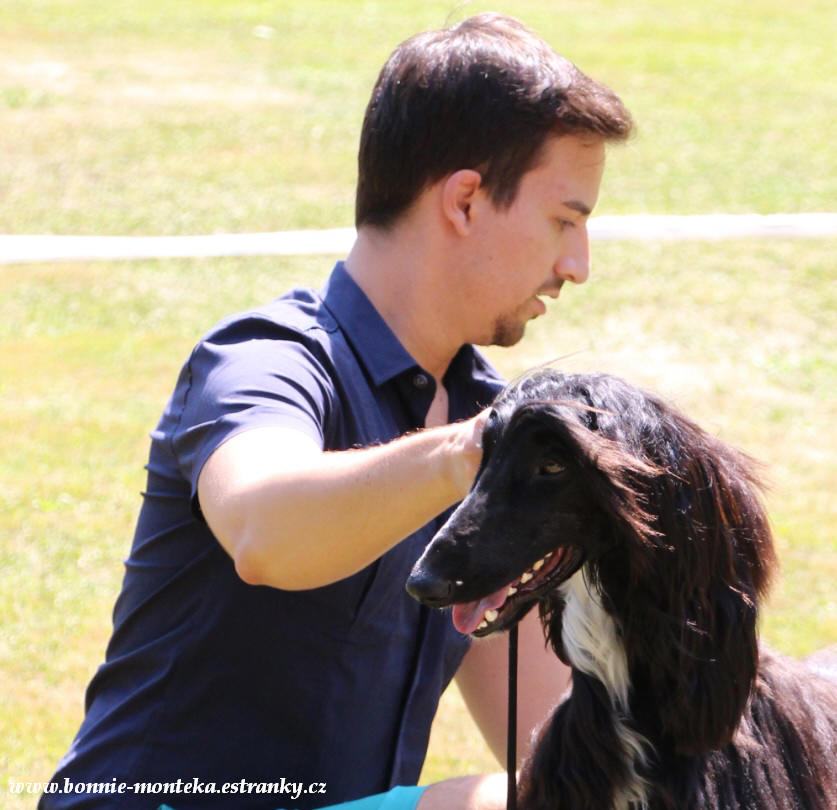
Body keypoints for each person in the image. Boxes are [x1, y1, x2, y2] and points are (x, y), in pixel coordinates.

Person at [40, 12, 632, 810]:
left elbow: (552, 734)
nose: (577, 266)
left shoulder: (482, 415)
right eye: (564, 220)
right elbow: (264, 532)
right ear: (463, 201)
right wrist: (473, 453)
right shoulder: (264, 358)